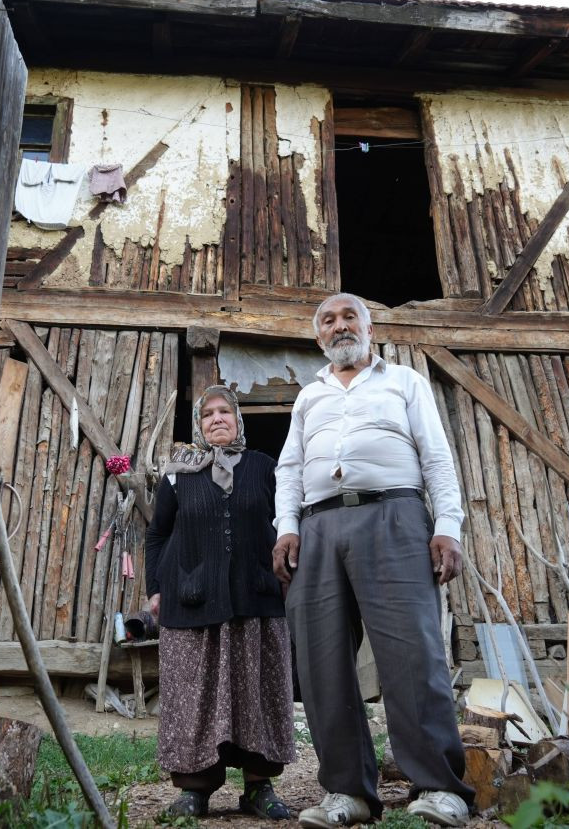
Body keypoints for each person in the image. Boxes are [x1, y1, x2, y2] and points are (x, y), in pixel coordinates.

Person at [273, 293, 476, 828]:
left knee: (413, 654)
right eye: (328, 321)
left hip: (394, 519)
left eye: (349, 317)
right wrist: (287, 527)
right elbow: (289, 468)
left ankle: (438, 786)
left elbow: (436, 455)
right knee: (322, 664)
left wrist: (447, 526)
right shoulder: (307, 396)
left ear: (370, 326)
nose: (339, 327)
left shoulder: (404, 381)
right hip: (316, 529)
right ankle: (349, 793)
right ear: (318, 337)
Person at [144, 385, 296, 819]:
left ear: (237, 419)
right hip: (191, 599)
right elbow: (157, 535)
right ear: (199, 424)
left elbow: (286, 521)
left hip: (256, 597)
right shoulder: (179, 474)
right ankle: (195, 789)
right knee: (195, 698)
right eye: (207, 413)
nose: (216, 419)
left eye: (224, 411)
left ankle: (258, 786)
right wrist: (155, 587)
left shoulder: (265, 468)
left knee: (256, 693)